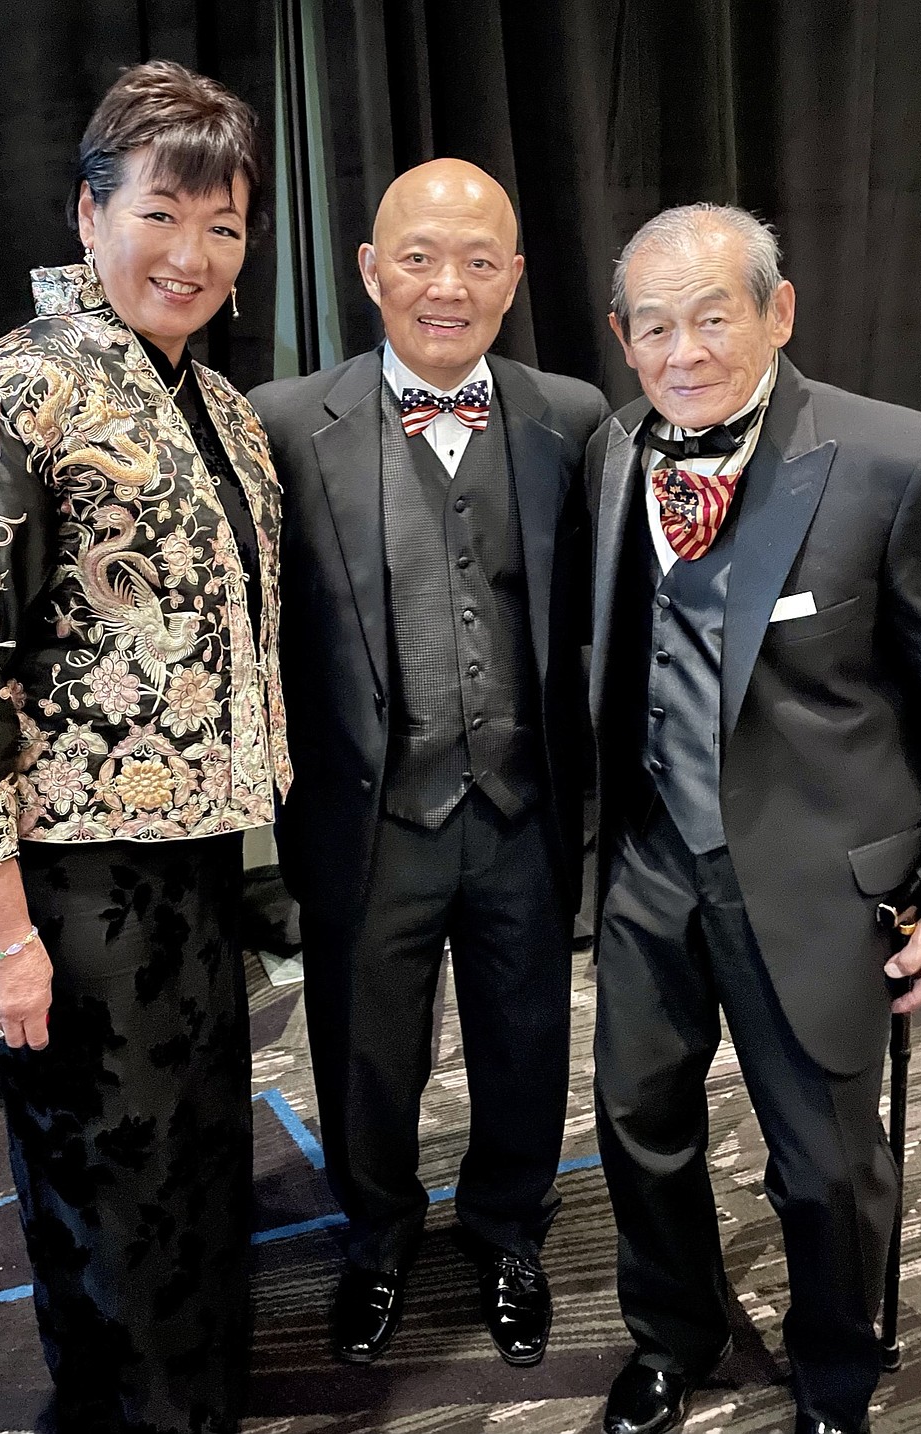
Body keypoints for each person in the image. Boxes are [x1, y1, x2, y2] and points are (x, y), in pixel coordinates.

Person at [0, 60, 290, 1434]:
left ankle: (200, 1407)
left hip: (194, 868)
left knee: (195, 1171)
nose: (192, 253)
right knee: (108, 1193)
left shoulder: (222, 410)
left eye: (225, 225)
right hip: (67, 878)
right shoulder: (16, 395)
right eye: (163, 213)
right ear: (87, 213)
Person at [587, 202, 921, 1434]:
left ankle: (834, 1374)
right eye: (655, 326)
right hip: (654, 863)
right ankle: (674, 1334)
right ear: (623, 338)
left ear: (779, 312)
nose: (685, 351)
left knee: (827, 1167)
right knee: (637, 1126)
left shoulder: (896, 460)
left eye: (715, 316)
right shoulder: (620, 452)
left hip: (819, 878)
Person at [249, 160, 609, 1367]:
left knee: (525, 1041)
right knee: (364, 1050)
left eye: (476, 261)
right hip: (369, 815)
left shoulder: (573, 416)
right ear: (369, 270)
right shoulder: (287, 421)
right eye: (418, 257)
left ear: (514, 277)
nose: (445, 286)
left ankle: (509, 1230)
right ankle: (377, 1240)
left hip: (523, 808)